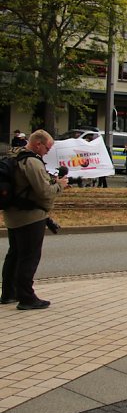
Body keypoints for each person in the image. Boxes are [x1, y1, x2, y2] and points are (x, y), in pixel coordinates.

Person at [1, 130, 68, 310]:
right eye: (47, 147)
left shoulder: (14, 155)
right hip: (30, 216)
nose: (48, 151)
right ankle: (27, 298)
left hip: (12, 214)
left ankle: (8, 293)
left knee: (14, 255)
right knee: (29, 257)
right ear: (38, 144)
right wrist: (59, 186)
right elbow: (44, 192)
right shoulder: (32, 161)